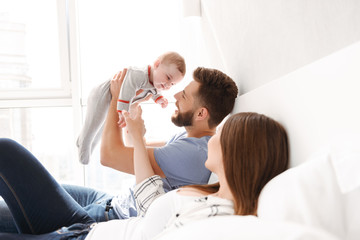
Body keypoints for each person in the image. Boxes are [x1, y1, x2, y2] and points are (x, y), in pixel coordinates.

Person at [0, 67, 238, 233]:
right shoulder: (189, 137)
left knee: (7, 155)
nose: (175, 95)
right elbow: (134, 147)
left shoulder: (192, 155)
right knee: (29, 191)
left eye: (184, 95)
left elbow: (109, 156)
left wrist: (117, 99)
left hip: (107, 217)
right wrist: (131, 106)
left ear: (201, 114)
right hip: (109, 200)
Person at [0, 111, 289, 239]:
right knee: (8, 153)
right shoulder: (210, 192)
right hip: (85, 227)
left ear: (236, 153)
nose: (211, 140)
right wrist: (138, 134)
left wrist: (137, 136)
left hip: (84, 233)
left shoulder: (216, 218)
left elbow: (117, 161)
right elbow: (150, 196)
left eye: (220, 136)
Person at [77, 51, 186, 165]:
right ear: (157, 64)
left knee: (101, 129)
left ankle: (86, 146)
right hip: (102, 94)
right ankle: (83, 149)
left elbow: (153, 92)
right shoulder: (139, 74)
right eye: (168, 78)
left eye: (172, 84)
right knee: (93, 125)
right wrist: (123, 113)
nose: (168, 85)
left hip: (113, 99)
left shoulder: (155, 83)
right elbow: (126, 93)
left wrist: (159, 99)